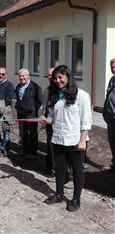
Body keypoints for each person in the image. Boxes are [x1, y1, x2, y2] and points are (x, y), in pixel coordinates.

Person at [42, 65, 92, 212]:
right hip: (58, 138)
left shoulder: (82, 95)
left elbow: (86, 120)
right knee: (59, 169)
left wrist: (83, 140)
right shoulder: (55, 94)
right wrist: (48, 120)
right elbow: (53, 115)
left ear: (68, 77)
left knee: (77, 170)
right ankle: (59, 194)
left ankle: (76, 199)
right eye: (55, 78)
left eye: (60, 77)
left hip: (75, 140)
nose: (57, 81)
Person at [15, 68, 43, 157]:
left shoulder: (35, 87)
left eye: (23, 76)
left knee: (32, 133)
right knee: (23, 133)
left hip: (31, 114)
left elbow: (40, 100)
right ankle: (25, 150)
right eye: (20, 76)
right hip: (21, 113)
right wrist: (17, 106)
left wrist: (33, 108)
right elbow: (18, 98)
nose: (21, 77)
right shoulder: (19, 86)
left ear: (28, 76)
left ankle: (33, 152)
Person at [102, 58, 115, 172]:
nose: (113, 69)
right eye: (112, 67)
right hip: (110, 116)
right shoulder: (112, 80)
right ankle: (114, 164)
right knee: (112, 140)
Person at [42, 68, 55, 175]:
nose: (50, 77)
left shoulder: (61, 90)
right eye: (48, 75)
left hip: (60, 123)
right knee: (50, 144)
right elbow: (45, 106)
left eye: (52, 75)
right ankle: (50, 167)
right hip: (49, 122)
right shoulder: (46, 90)